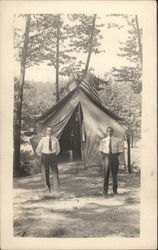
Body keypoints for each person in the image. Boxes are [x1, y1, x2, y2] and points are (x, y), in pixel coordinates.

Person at [99, 127, 124, 196]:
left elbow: (120, 150)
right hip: (106, 157)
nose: (109, 133)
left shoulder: (117, 140)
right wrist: (105, 156)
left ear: (113, 132)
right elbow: (101, 150)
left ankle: (115, 191)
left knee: (114, 175)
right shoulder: (103, 141)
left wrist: (115, 156)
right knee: (106, 175)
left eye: (111, 131)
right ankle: (105, 192)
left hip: (114, 157)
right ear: (106, 132)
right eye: (108, 131)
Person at [36, 126, 60, 193]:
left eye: (51, 130)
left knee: (55, 173)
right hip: (45, 157)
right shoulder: (43, 140)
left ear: (53, 131)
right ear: (46, 132)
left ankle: (56, 189)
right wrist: (43, 156)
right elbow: (38, 150)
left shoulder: (55, 140)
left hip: (53, 156)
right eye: (48, 130)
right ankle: (48, 189)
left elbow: (58, 150)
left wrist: (52, 155)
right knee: (46, 173)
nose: (50, 132)